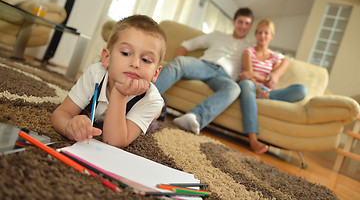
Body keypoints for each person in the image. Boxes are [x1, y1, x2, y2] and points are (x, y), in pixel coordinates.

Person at [51, 15, 166, 148]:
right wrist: (68, 126)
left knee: (156, 114)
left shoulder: (151, 100)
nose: (135, 64)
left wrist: (120, 93)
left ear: (156, 73)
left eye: (146, 60)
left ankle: (161, 108)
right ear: (106, 58)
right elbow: (61, 113)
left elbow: (114, 141)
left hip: (141, 108)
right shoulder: (95, 74)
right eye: (126, 53)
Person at [154, 8, 254, 135]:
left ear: (250, 26)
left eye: (247, 23)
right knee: (181, 62)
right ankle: (144, 97)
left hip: (225, 77)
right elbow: (187, 44)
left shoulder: (250, 48)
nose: (243, 26)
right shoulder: (217, 35)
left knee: (235, 89)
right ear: (234, 22)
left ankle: (194, 117)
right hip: (203, 65)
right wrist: (177, 62)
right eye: (240, 22)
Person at [239, 19, 307, 154]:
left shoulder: (275, 58)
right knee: (246, 84)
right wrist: (258, 86)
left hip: (267, 92)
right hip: (250, 87)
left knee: (301, 89)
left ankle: (267, 96)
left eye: (266, 33)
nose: (262, 36)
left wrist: (258, 78)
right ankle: (253, 139)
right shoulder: (249, 51)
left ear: (271, 36)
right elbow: (247, 76)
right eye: (259, 32)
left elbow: (270, 82)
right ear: (255, 34)